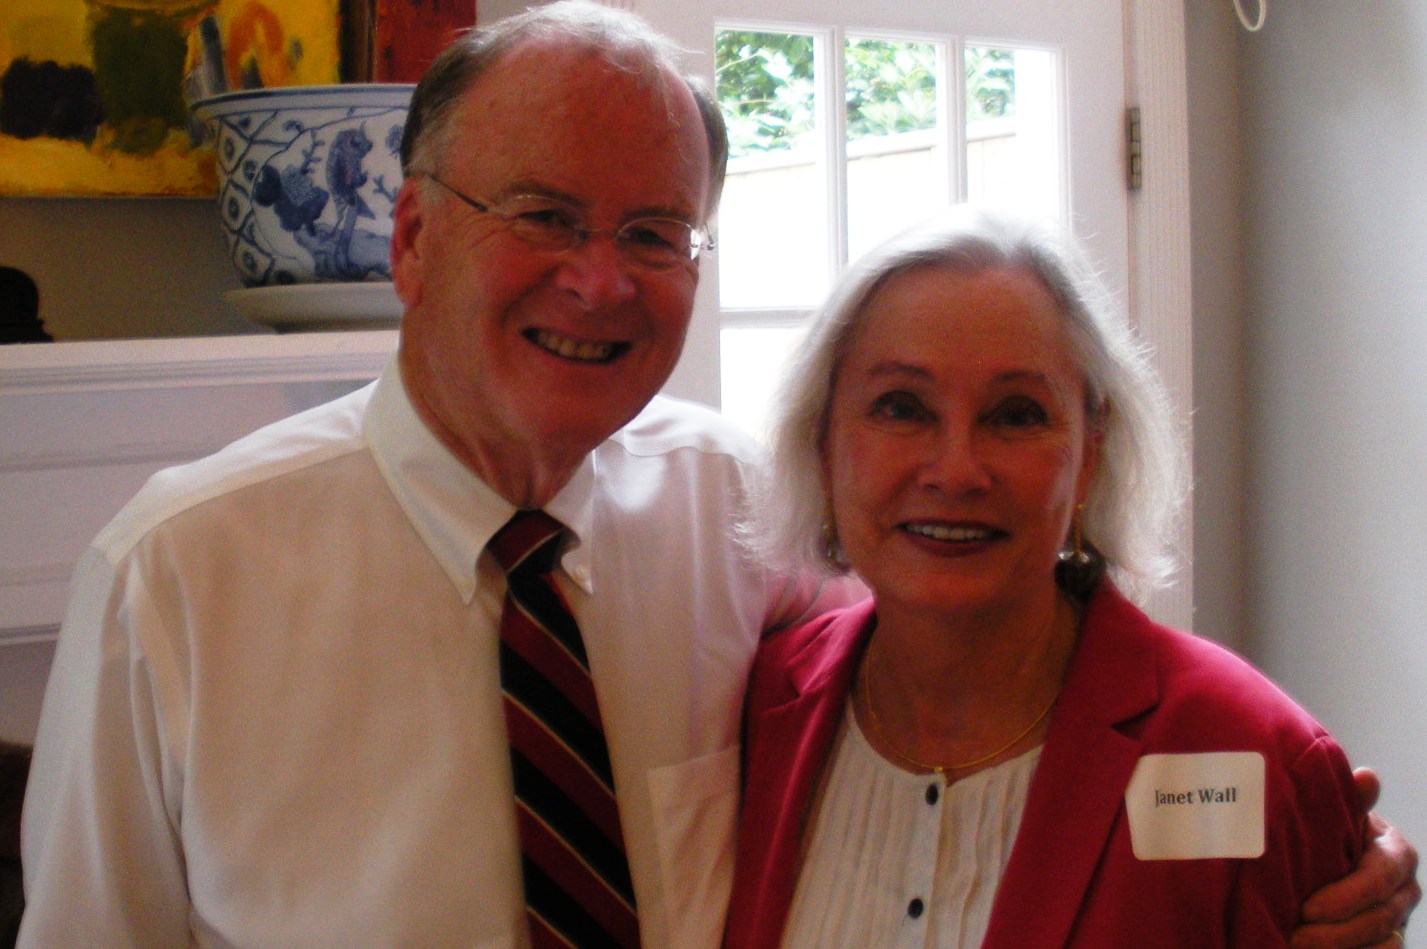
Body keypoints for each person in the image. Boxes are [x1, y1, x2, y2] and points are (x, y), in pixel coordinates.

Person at [15, 3, 1416, 947]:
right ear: (412, 236)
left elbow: (992, 655)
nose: (598, 280)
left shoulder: (736, 512)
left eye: (653, 231)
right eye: (543, 215)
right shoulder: (174, 580)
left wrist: (1305, 839)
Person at [724, 206, 1418, 948]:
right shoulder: (746, 715)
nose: (956, 470)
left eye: (1015, 415)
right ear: (822, 439)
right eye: (901, 407)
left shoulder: (1247, 752)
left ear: (1090, 453)